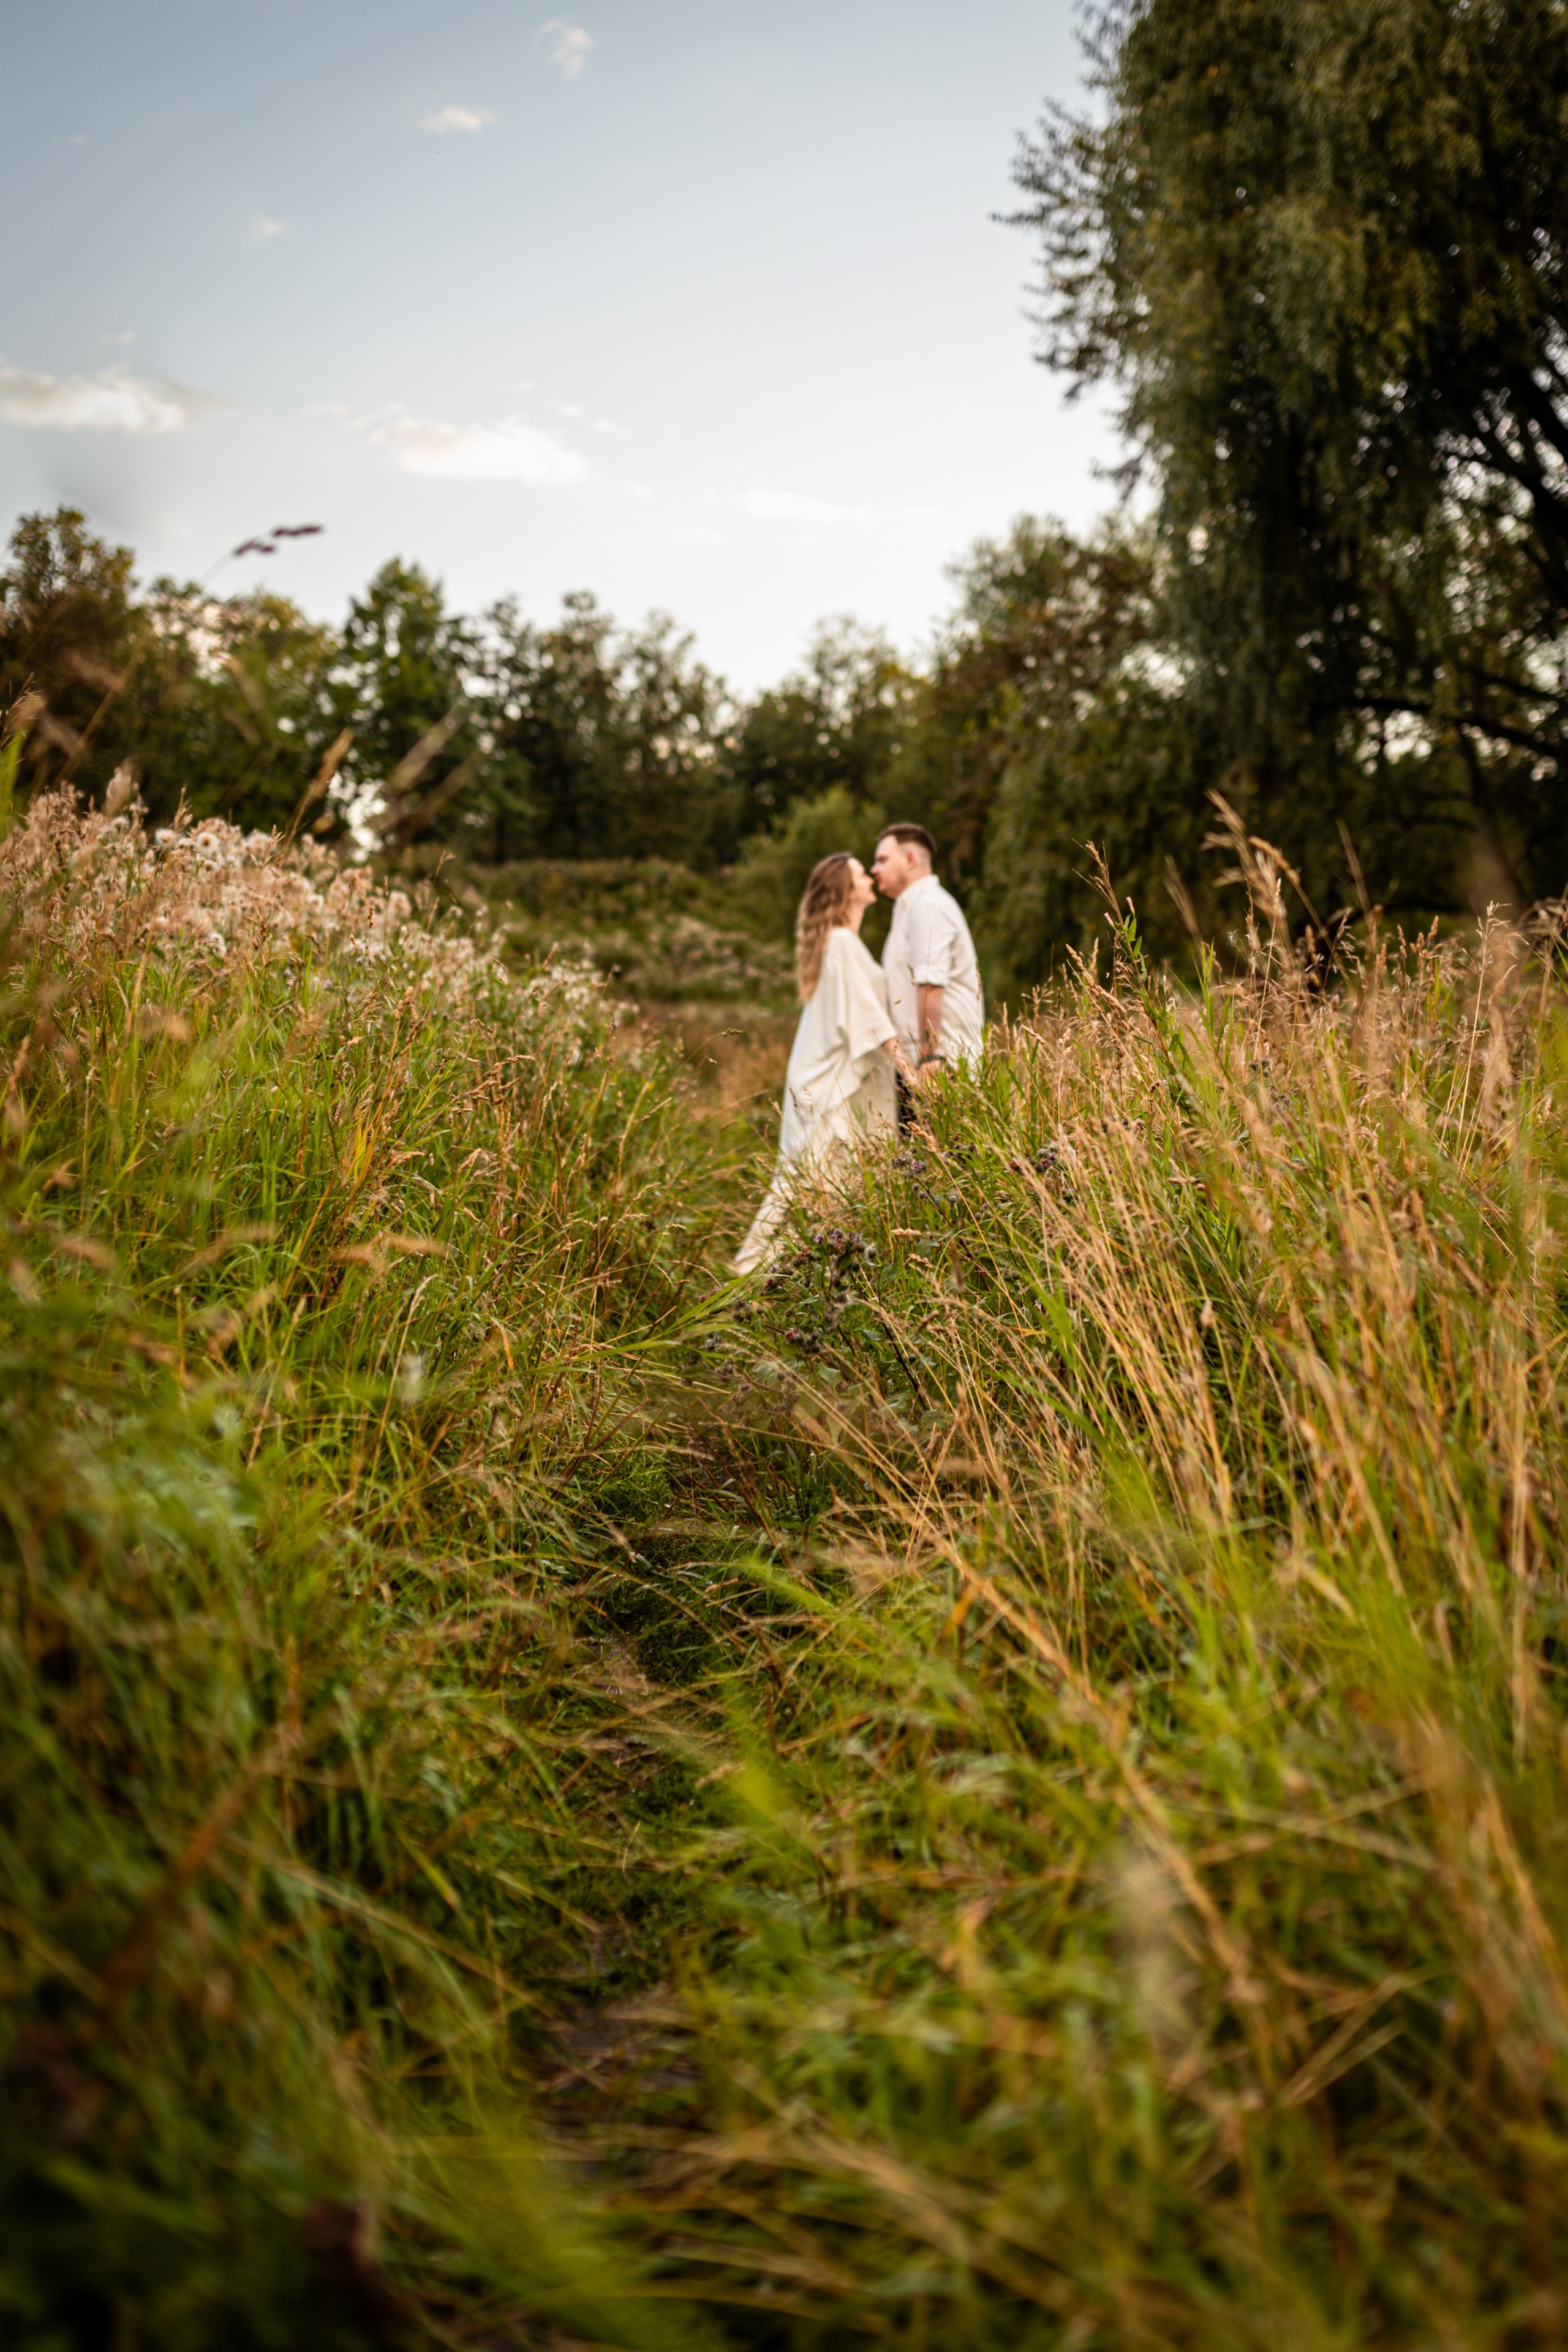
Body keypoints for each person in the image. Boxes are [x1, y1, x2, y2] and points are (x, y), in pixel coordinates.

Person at [734, 853, 902, 1274]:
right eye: (861, 874)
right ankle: (761, 1271)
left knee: (815, 1181)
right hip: (830, 1085)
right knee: (813, 1179)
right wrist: (910, 1069)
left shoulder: (842, 942)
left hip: (828, 1078)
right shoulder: (841, 941)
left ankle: (801, 1272)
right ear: (847, 890)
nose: (870, 878)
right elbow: (867, 1014)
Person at [870, 822, 984, 1080]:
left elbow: (930, 985)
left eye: (882, 860)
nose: (874, 869)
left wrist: (929, 1058)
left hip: (943, 1067)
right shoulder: (911, 907)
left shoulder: (928, 904)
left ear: (910, 859)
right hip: (921, 1065)